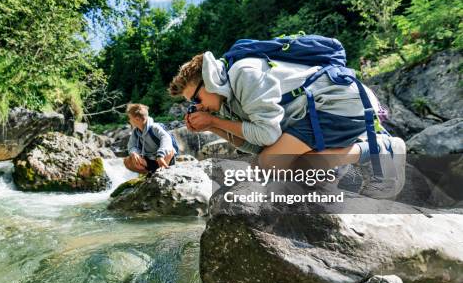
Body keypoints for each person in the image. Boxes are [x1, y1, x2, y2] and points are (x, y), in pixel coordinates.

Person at [169, 52, 406, 196]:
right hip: (317, 111)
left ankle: (380, 148)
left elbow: (267, 135)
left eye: (196, 100)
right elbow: (257, 146)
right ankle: (358, 155)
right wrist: (213, 126)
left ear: (209, 81)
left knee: (272, 163)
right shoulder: (228, 100)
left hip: (339, 103)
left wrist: (214, 120)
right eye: (193, 105)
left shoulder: (243, 74)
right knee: (269, 162)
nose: (197, 107)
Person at [123, 103, 176, 174]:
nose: (129, 121)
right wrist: (134, 153)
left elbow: (166, 139)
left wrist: (160, 155)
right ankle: (150, 173)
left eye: (130, 118)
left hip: (162, 158)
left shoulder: (154, 128)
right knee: (127, 161)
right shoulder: (136, 132)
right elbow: (131, 146)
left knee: (170, 150)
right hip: (150, 160)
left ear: (137, 119)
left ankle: (164, 170)